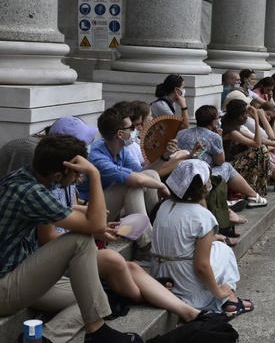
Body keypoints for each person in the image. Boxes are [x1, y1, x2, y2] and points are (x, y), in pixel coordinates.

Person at [0, 135, 142, 343]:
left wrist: (87, 215)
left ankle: (46, 338)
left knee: (91, 299)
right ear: (58, 174)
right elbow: (96, 225)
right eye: (77, 173)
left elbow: (73, 215)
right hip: (5, 287)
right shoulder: (31, 193)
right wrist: (94, 174)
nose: (78, 178)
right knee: (79, 240)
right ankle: (97, 332)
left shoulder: (24, 178)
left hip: (18, 271)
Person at [151, 160, 254, 317]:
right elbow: (201, 267)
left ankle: (229, 300)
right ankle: (228, 298)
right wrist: (218, 292)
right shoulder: (202, 216)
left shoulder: (164, 206)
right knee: (223, 249)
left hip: (161, 276)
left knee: (216, 245)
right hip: (184, 283)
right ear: (202, 187)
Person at [78, 107, 173, 256]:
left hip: (111, 207)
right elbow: (136, 180)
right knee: (130, 185)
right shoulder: (98, 157)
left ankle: (160, 227)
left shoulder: (121, 149)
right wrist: (161, 185)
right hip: (91, 212)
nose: (135, 130)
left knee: (151, 174)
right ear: (120, 134)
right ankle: (148, 246)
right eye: (132, 128)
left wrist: (164, 156)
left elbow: (142, 174)